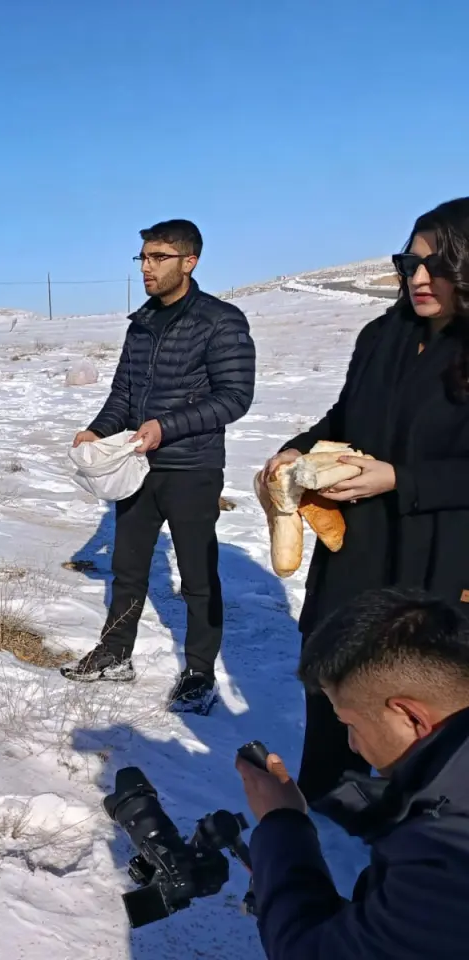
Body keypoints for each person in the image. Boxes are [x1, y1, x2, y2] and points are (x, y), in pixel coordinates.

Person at [260, 196, 469, 803]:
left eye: (440, 264)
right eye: (410, 263)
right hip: (357, 550)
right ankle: (330, 805)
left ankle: (423, 831)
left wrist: (400, 478)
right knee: (335, 679)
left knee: (420, 702)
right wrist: (295, 452)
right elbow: (344, 416)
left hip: (439, 558)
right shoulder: (384, 334)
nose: (419, 278)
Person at [62, 219, 256, 714]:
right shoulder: (142, 323)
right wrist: (97, 430)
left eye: (158, 258)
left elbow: (234, 398)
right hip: (137, 466)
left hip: (192, 468)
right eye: (143, 258)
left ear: (189, 262)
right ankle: (114, 653)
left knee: (197, 576)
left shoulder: (221, 320)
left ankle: (198, 671)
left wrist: (165, 427)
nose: (146, 267)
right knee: (127, 568)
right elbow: (123, 395)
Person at [236, 587, 469, 959]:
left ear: (410, 717)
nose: (353, 745)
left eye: (351, 724)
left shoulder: (442, 864)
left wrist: (282, 824)